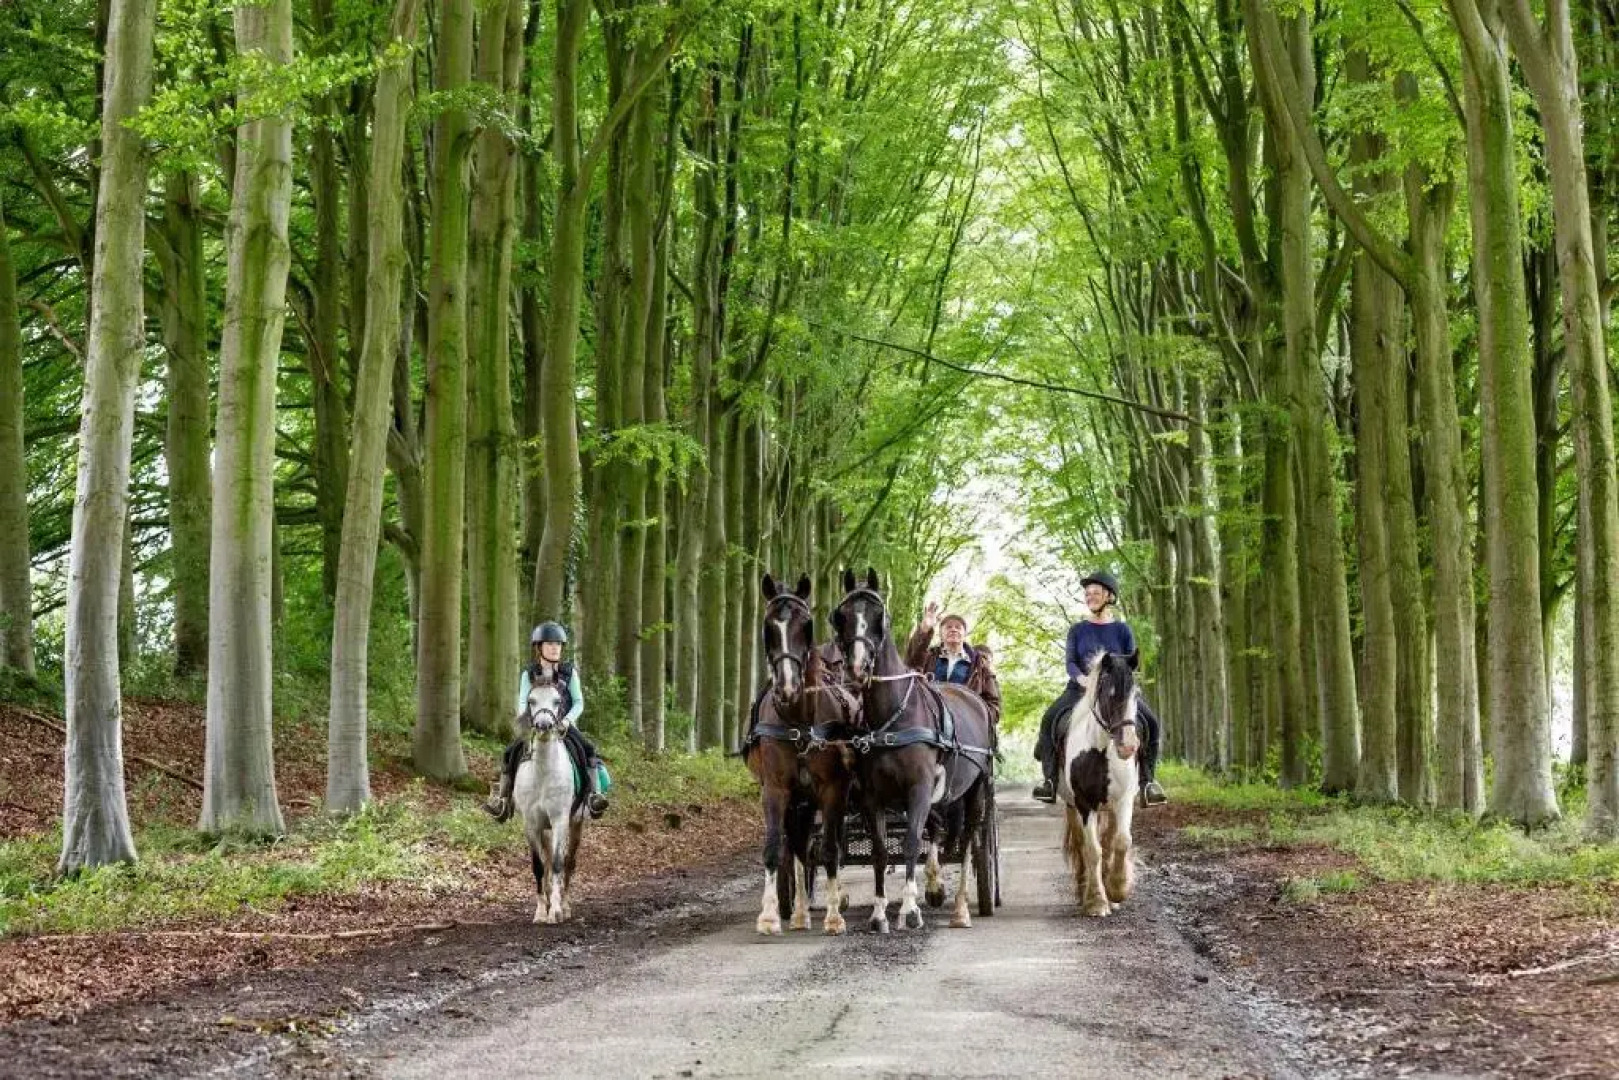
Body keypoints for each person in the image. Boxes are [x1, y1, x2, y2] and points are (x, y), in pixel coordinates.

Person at [1032, 571, 1167, 807]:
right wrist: (1082, 679)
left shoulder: (1123, 630)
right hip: (1081, 689)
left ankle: (1148, 782)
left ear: (1109, 596)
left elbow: (1130, 661)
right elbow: (1070, 663)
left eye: (1095, 593)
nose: (1090, 597)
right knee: (1049, 719)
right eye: (1087, 594)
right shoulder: (1077, 630)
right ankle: (1050, 781)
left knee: (1152, 723)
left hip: (1117, 693)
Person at [483, 622, 609, 822]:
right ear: (539, 647)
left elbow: (578, 703)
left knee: (588, 750)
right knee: (510, 753)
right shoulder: (529, 674)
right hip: (535, 726)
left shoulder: (569, 673)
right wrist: (530, 721)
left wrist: (567, 721)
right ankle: (503, 802)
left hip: (563, 726)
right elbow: (523, 701)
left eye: (558, 644)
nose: (555, 648)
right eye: (550, 644)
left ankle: (594, 796)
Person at [904, 602, 1002, 728]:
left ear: (964, 634)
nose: (953, 629)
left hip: (964, 732)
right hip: (926, 724)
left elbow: (993, 705)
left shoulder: (981, 667)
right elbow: (910, 662)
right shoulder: (927, 657)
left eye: (958, 627)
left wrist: (975, 723)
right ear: (941, 634)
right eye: (948, 627)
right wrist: (924, 629)